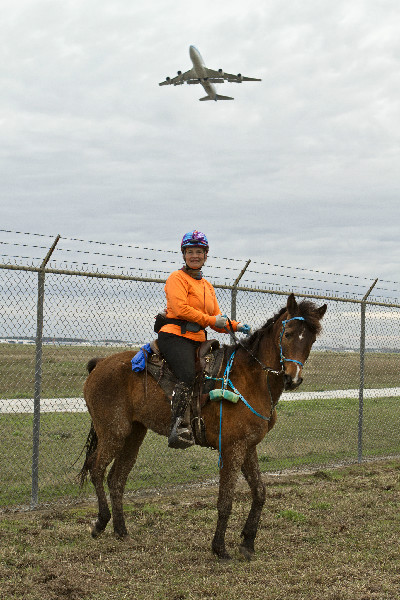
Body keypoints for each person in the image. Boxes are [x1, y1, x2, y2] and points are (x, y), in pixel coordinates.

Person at [157, 230, 251, 449]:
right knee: (188, 374)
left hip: (199, 338)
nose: (195, 256)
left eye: (199, 251)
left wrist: (236, 326)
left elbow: (216, 319)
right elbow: (181, 309)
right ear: (184, 254)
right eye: (190, 252)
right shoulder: (176, 278)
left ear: (206, 255)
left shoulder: (207, 286)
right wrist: (211, 320)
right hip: (175, 335)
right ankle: (178, 425)